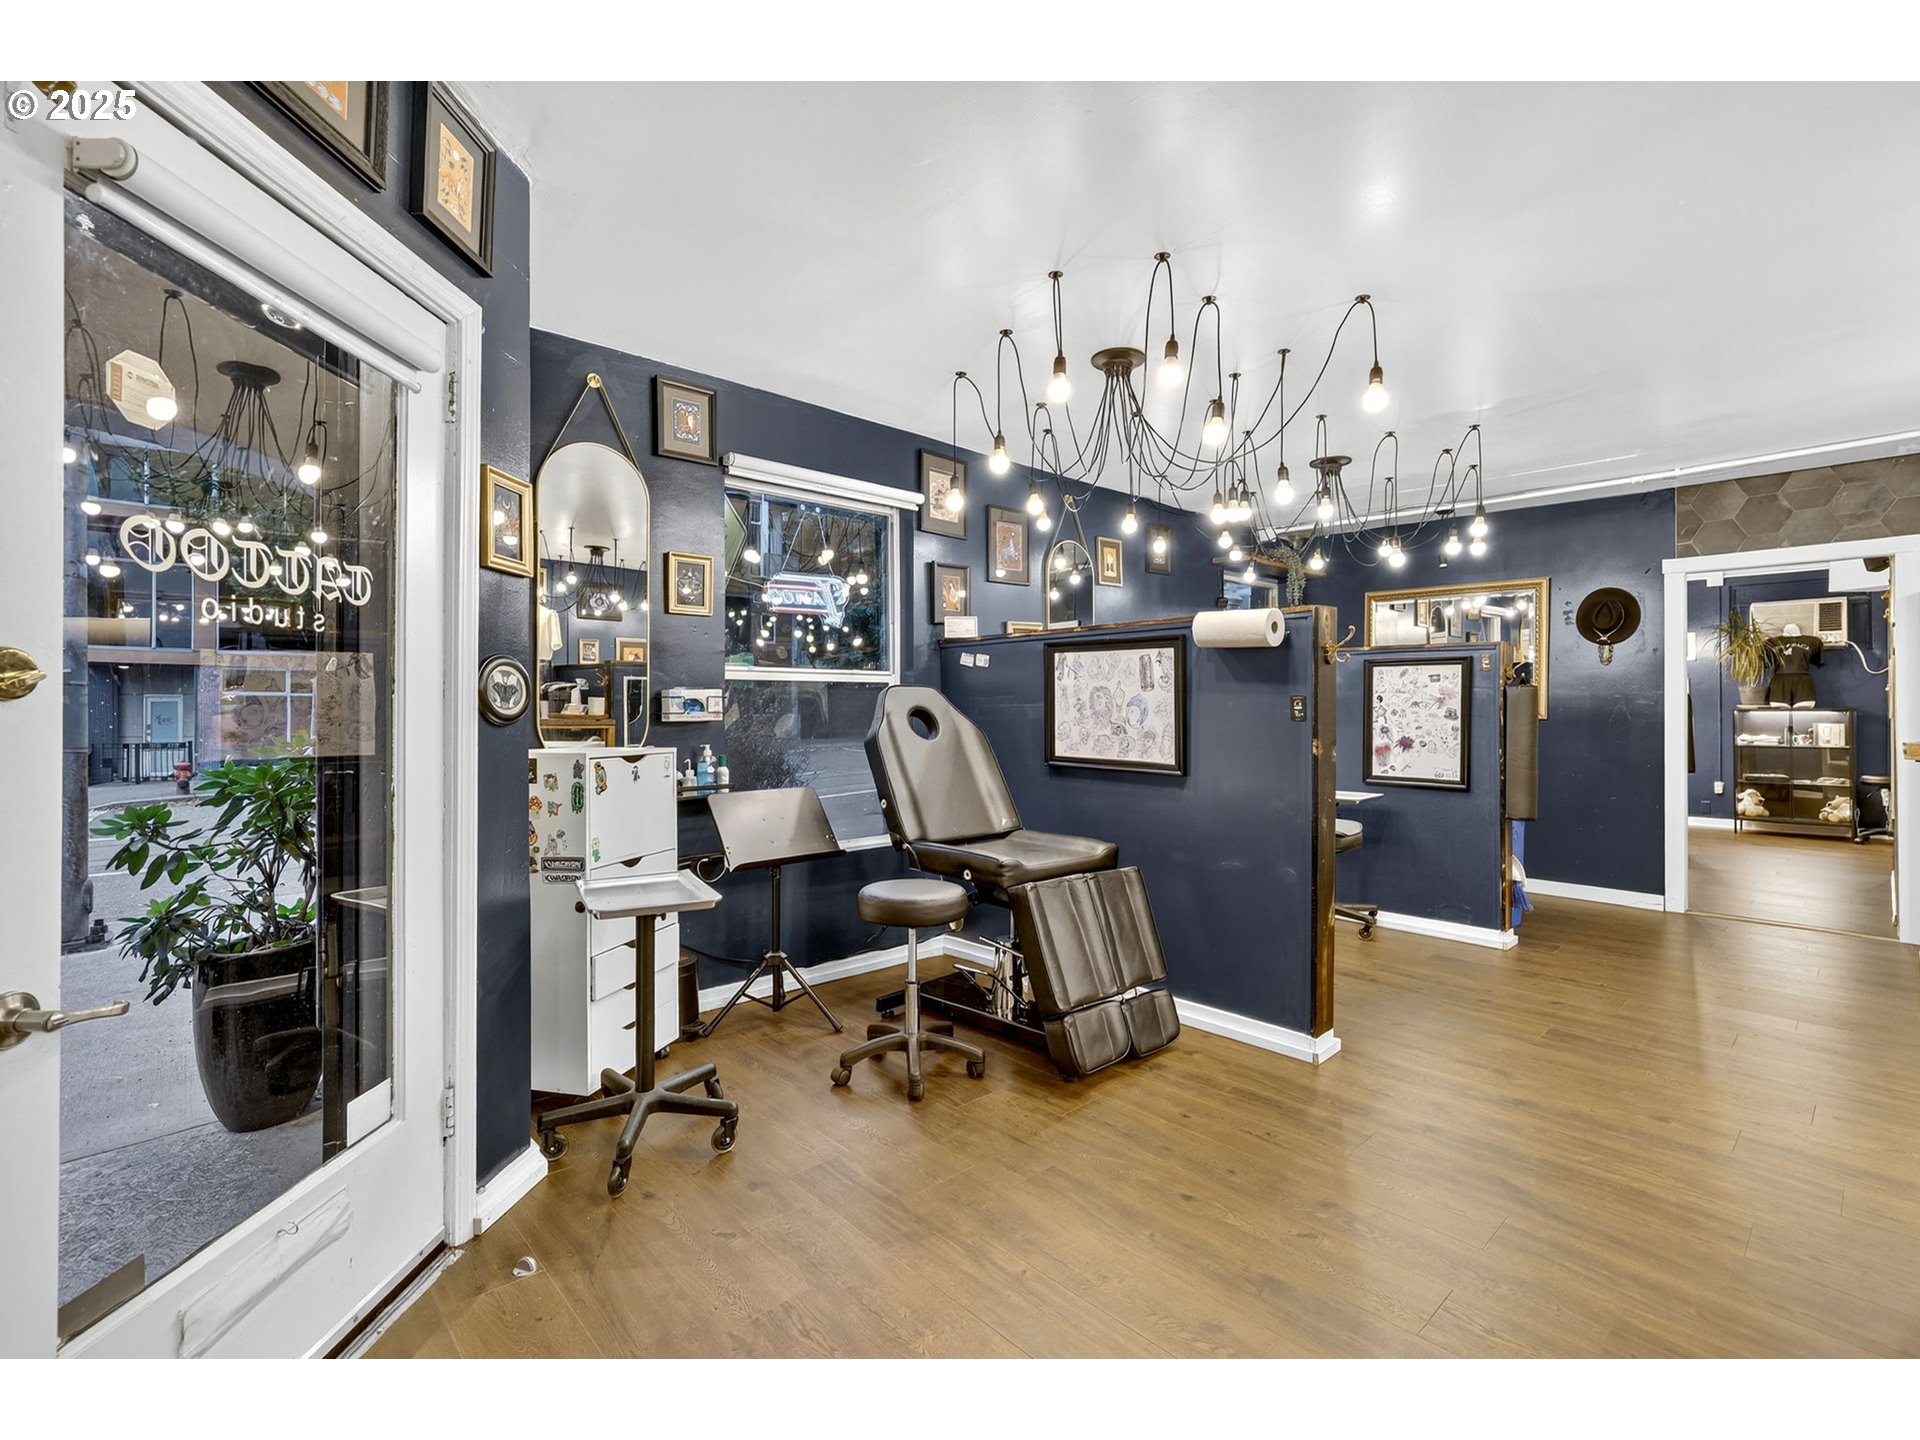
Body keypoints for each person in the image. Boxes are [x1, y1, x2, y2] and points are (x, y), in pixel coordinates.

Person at [1768, 622, 1823, 706]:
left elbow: (1817, 658)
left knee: (1802, 713)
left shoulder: (1813, 641)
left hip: (1801, 681)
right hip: (1782, 681)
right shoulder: (1771, 642)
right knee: (1780, 714)